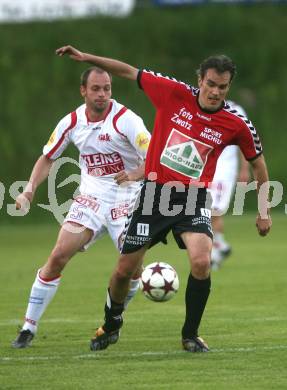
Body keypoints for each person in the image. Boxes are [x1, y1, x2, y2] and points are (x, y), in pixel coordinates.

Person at [56, 46, 272, 353]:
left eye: (222, 87)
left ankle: (190, 335)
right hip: (155, 196)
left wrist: (263, 211)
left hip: (193, 199)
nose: (214, 91)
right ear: (201, 79)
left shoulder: (235, 123)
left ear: (228, 87)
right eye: (210, 84)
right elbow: (128, 70)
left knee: (201, 260)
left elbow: (259, 164)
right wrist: (87, 58)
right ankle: (112, 322)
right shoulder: (173, 93)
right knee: (124, 270)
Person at [12, 66, 151, 348]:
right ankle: (28, 327)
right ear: (83, 91)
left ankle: (113, 322)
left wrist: (136, 174)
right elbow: (48, 157)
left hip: (128, 197)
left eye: (107, 88)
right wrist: (29, 189)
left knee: (132, 270)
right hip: (91, 197)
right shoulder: (72, 122)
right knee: (58, 255)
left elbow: (153, 157)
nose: (103, 94)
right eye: (96, 89)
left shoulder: (127, 120)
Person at [210, 101, 251, 269]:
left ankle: (214, 255)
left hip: (224, 170)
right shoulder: (199, 104)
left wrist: (244, 168)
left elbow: (247, 141)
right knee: (204, 211)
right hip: (204, 168)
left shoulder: (236, 109)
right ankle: (221, 246)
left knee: (214, 211)